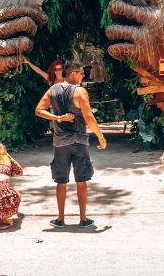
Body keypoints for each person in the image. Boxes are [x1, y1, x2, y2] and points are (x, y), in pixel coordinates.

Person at [35, 59, 106, 228]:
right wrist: (100, 136)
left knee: (61, 181)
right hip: (79, 141)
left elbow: (39, 110)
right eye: (82, 72)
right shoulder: (80, 92)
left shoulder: (52, 90)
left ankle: (60, 219)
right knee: (81, 180)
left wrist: (58, 118)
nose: (84, 75)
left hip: (60, 142)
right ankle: (83, 219)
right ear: (73, 74)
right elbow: (89, 117)